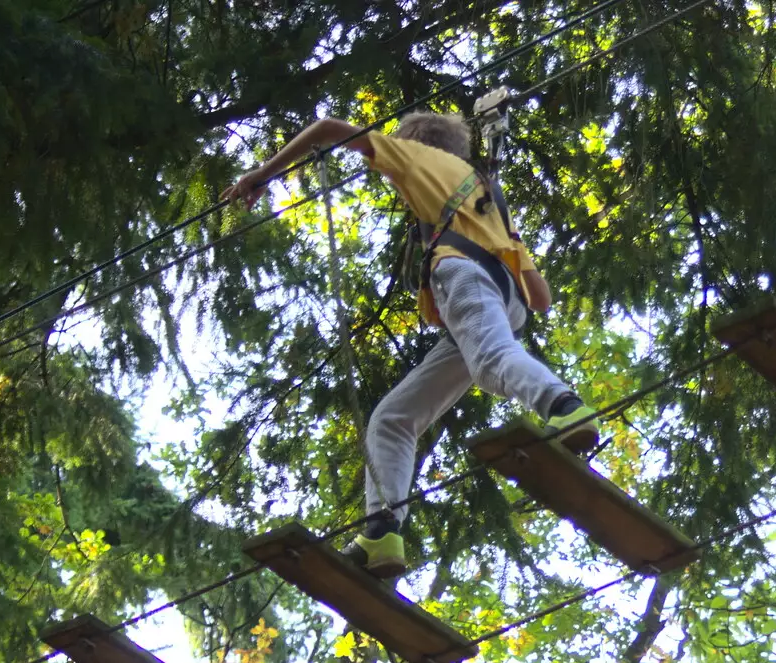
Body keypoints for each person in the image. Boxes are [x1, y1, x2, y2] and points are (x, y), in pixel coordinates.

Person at [221, 111, 598, 579]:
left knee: (491, 361)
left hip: (464, 274)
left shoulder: (419, 157)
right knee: (393, 418)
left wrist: (261, 174)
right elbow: (539, 299)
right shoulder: (488, 197)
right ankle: (382, 531)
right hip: (506, 296)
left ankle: (562, 405)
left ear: (416, 144)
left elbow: (329, 129)